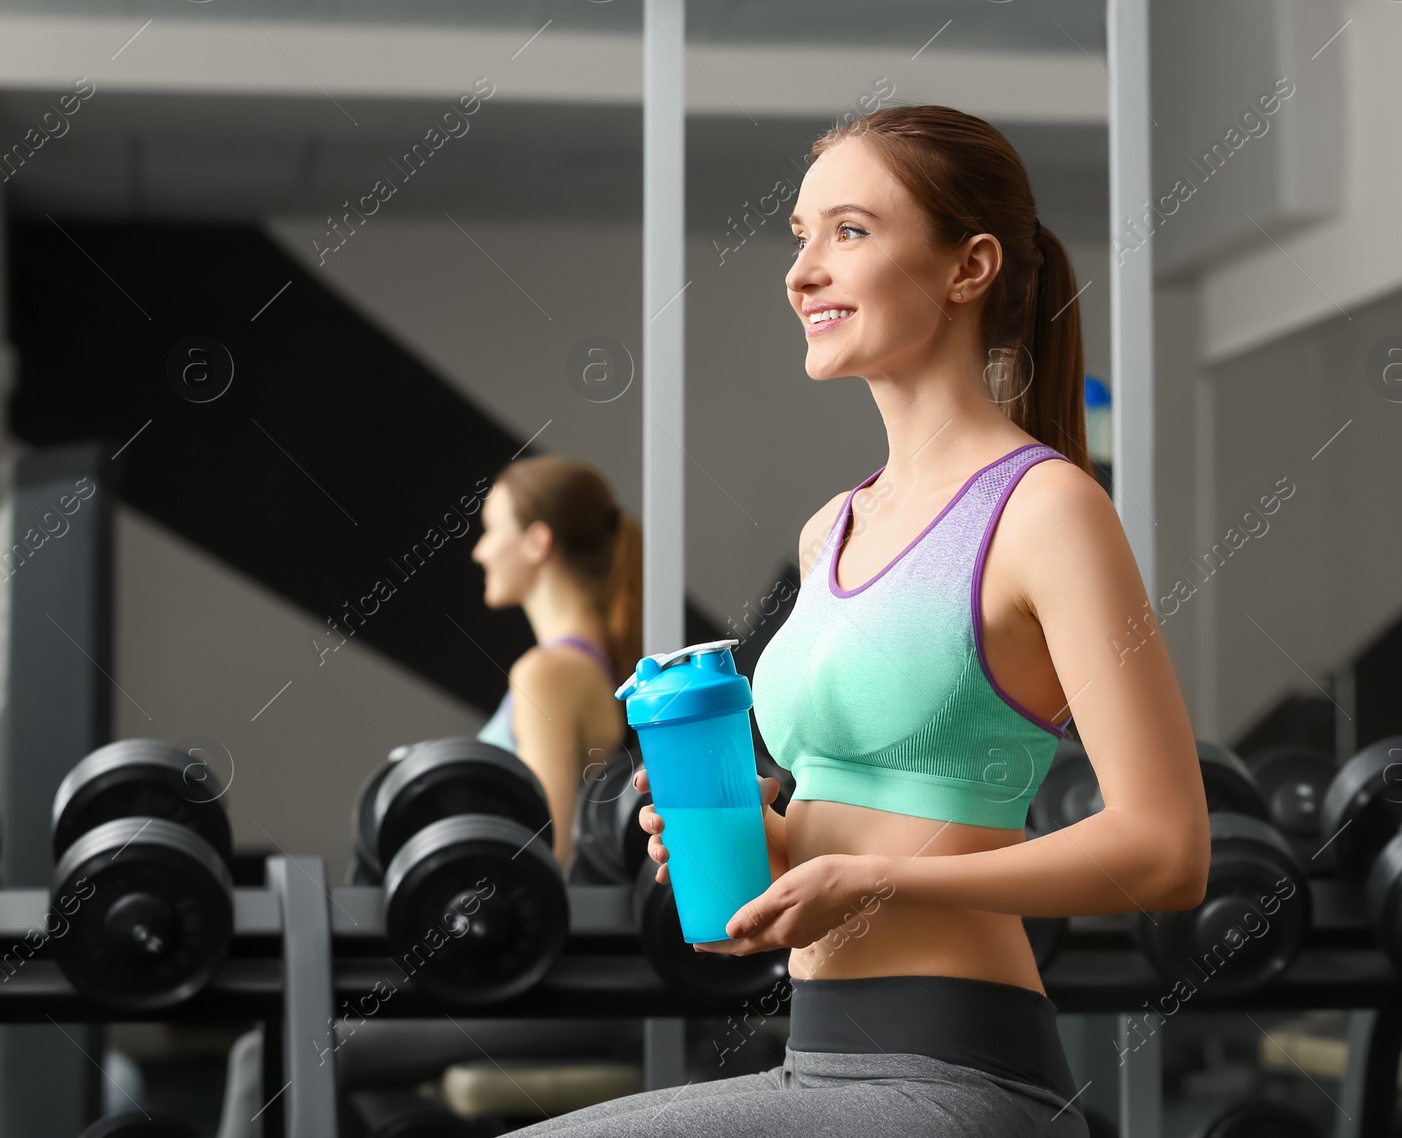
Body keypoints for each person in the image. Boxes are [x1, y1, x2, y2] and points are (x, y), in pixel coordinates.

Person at [502, 104, 1207, 1137]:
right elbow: (867, 803)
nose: (802, 273)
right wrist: (773, 841)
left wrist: (871, 878)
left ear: (968, 267)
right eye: (800, 237)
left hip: (961, 1070)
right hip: (818, 1056)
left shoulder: (1046, 509)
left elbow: (1167, 849)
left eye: (851, 231)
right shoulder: (829, 530)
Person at [471, 455, 642, 874]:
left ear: (537, 541)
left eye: (491, 530)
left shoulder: (548, 672)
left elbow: (548, 852)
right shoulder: (577, 665)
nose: (479, 552)